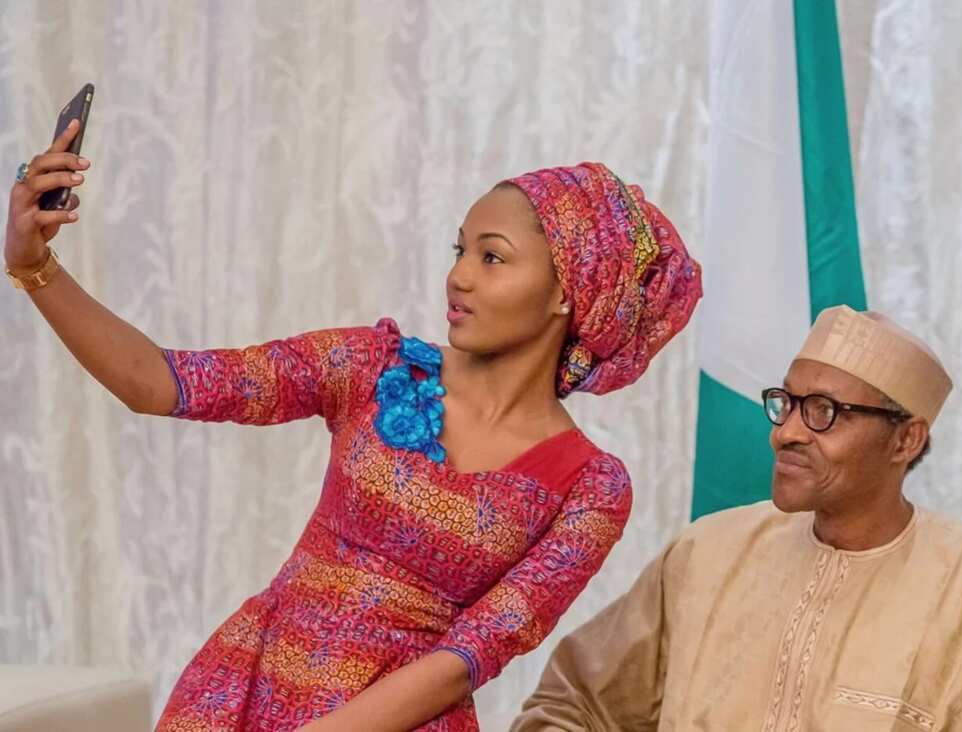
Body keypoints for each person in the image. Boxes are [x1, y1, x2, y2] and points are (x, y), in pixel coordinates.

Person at [4, 121, 702, 731]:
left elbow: (469, 657)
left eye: (491, 257)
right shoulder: (370, 364)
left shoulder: (592, 488)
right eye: (458, 250)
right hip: (248, 691)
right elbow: (162, 382)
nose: (459, 276)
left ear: (567, 292)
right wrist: (34, 266)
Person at [512, 305, 962, 731]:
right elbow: (571, 705)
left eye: (823, 411)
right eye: (786, 404)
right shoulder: (708, 555)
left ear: (905, 440)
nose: (785, 434)